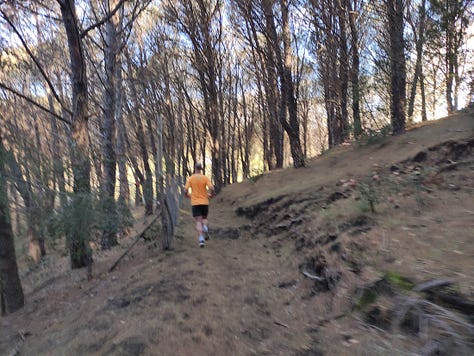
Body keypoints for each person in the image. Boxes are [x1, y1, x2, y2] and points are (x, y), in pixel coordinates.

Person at [183, 163, 215, 248]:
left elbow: (185, 190)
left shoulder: (190, 178)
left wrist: (187, 195)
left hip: (195, 203)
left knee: (198, 221)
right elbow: (212, 188)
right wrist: (211, 194)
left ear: (195, 168)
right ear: (201, 169)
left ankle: (201, 239)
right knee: (204, 218)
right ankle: (205, 227)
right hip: (204, 202)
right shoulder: (205, 178)